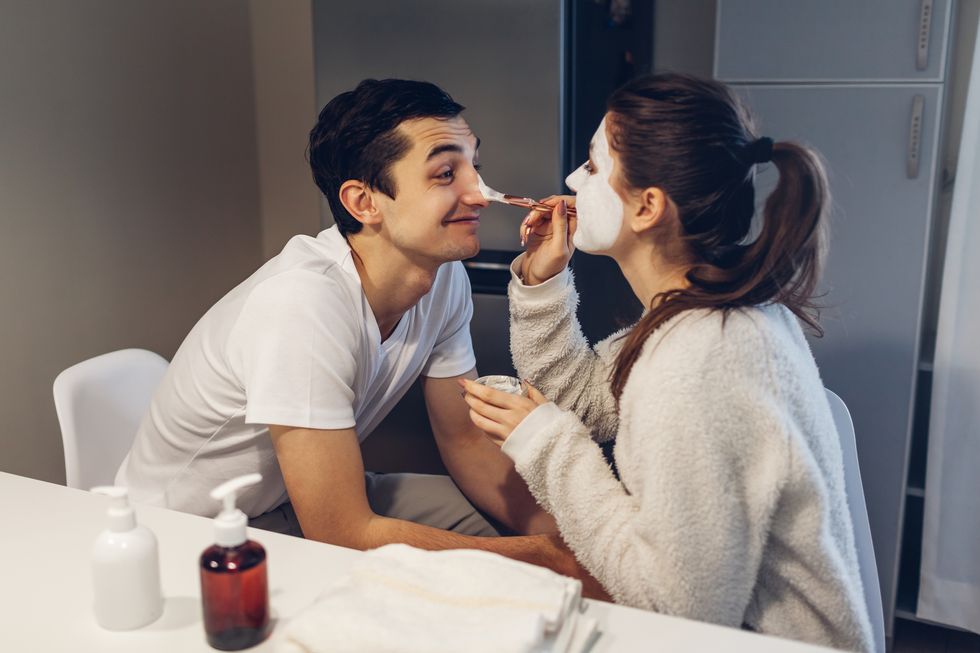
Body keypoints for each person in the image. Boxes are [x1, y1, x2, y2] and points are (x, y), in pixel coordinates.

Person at [116, 79, 596, 587]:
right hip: (198, 538)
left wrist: (576, 540)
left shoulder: (442, 276)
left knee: (556, 541)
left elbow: (465, 441)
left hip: (297, 504)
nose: (478, 192)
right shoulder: (301, 305)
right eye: (446, 173)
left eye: (475, 165)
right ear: (364, 203)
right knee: (516, 572)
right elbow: (341, 531)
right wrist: (544, 561)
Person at [462, 72, 874, 651]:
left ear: (649, 206)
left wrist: (547, 444)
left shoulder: (700, 362)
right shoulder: (697, 317)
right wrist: (541, 279)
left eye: (594, 166)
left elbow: (677, 606)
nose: (573, 181)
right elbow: (580, 396)